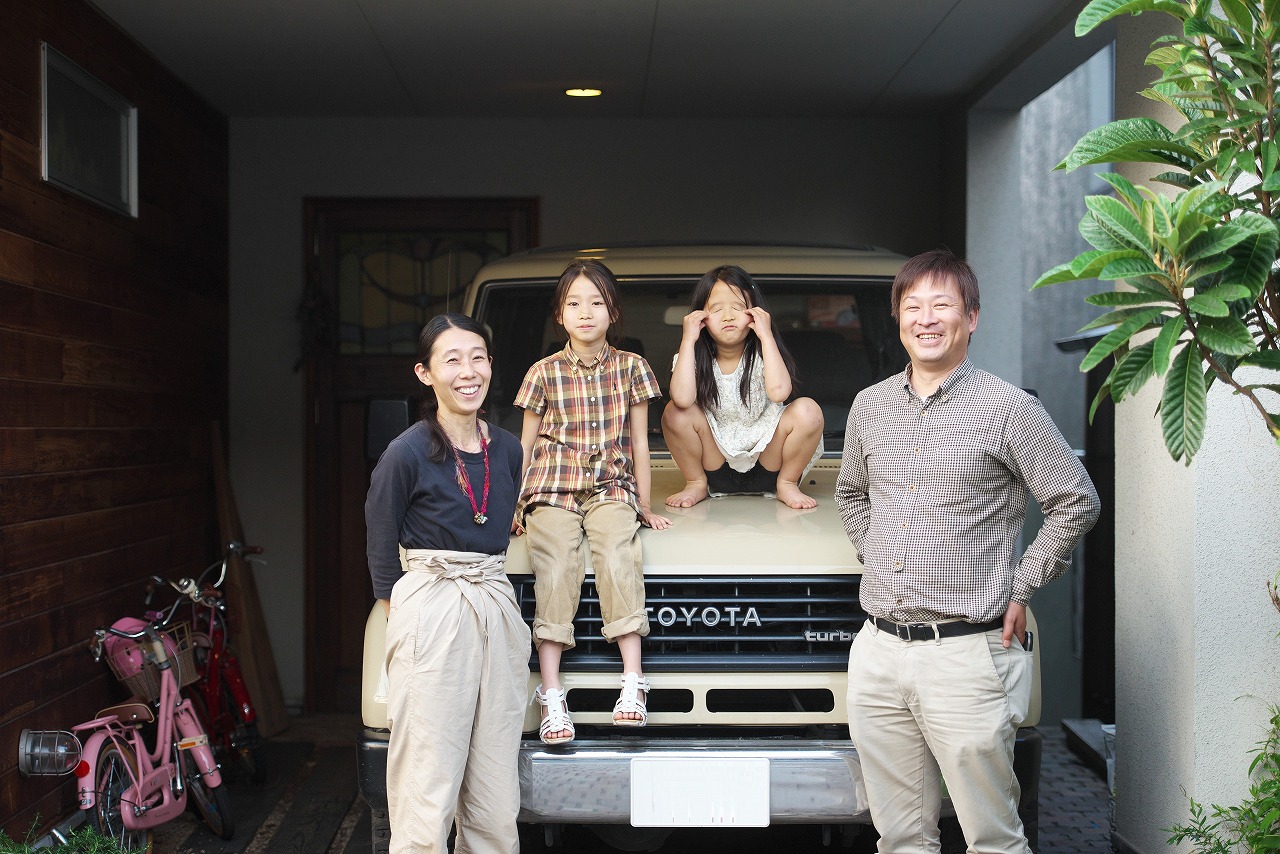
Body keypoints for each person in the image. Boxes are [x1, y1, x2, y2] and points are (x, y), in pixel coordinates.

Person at [835, 249, 1099, 853]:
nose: (926, 319)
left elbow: (1074, 500)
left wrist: (1023, 582)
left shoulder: (1009, 408)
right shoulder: (870, 406)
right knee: (899, 835)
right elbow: (851, 494)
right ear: (898, 318)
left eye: (942, 305)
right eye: (912, 306)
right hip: (877, 653)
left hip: (966, 654)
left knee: (992, 838)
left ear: (971, 317)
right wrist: (880, 557)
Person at [365, 313, 529, 854]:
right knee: (427, 780)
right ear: (425, 373)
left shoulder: (507, 448)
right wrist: (404, 617)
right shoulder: (407, 451)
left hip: (493, 601)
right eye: (451, 359)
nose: (468, 371)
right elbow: (381, 543)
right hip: (432, 603)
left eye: (477, 357)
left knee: (494, 781)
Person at [515, 258, 670, 745]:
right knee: (556, 562)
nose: (586, 312)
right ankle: (552, 693)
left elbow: (640, 444)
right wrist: (513, 507)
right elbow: (524, 446)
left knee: (617, 551)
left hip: (610, 486)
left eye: (597, 303)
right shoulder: (542, 373)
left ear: (613, 312)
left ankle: (631, 682)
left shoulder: (632, 368)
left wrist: (643, 505)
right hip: (551, 486)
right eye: (573, 303)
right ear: (559, 314)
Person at [662, 264, 824, 510]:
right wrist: (688, 339)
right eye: (716, 310)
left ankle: (788, 483)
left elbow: (780, 392)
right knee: (674, 412)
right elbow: (683, 399)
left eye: (738, 307)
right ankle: (695, 482)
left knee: (808, 410)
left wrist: (766, 335)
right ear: (700, 318)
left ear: (755, 313)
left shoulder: (764, 351)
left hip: (769, 460)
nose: (728, 316)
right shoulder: (692, 356)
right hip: (714, 463)